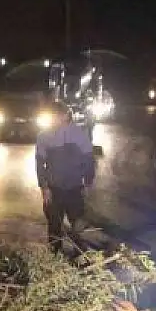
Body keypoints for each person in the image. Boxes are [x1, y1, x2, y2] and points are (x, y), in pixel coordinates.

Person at [35, 105, 96, 253]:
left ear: (66, 116)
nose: (53, 119)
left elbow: (89, 161)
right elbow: (39, 164)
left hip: (74, 189)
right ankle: (55, 258)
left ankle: (82, 258)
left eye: (57, 115)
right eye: (52, 115)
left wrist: (87, 183)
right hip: (54, 189)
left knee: (78, 226)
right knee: (54, 226)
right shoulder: (44, 136)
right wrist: (44, 187)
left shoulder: (80, 134)